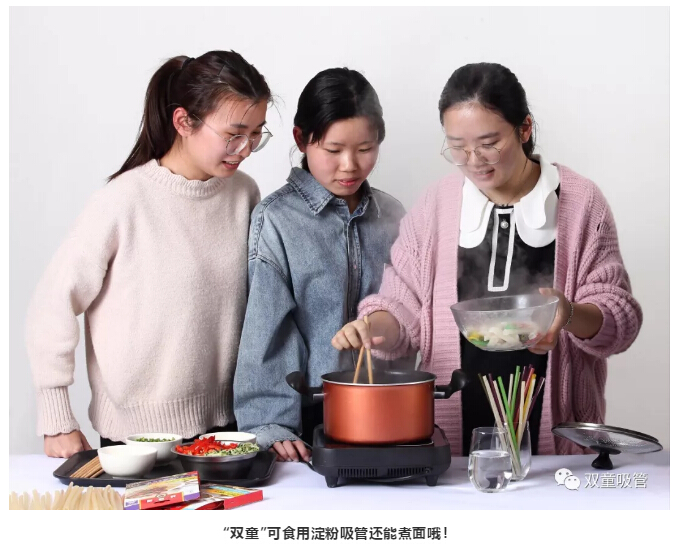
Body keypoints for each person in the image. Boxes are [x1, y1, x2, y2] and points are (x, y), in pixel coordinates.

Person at [332, 62, 642, 456]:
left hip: (557, 442)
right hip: (453, 442)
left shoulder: (581, 203)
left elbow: (619, 321)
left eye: (489, 143)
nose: (474, 159)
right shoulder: (435, 205)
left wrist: (567, 314)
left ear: (524, 129)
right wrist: (371, 327)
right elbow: (402, 307)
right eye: (457, 146)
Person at [25, 50, 273, 458]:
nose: (245, 148)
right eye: (234, 134)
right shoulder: (123, 200)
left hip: (227, 427)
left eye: (257, 134)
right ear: (184, 122)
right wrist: (57, 420)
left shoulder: (244, 194)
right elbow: (52, 302)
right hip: (136, 437)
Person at [234, 68, 409, 462]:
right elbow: (268, 331)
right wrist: (269, 424)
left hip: (388, 411)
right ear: (301, 139)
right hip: (308, 419)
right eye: (333, 150)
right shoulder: (277, 219)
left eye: (365, 148)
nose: (350, 165)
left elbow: (410, 310)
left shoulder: (393, 213)